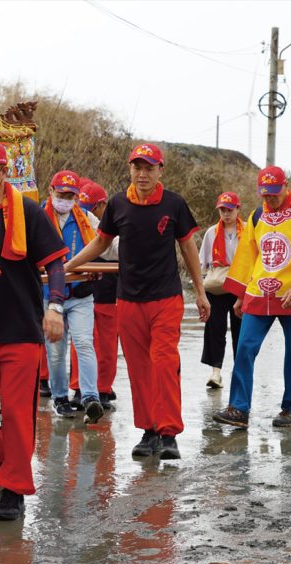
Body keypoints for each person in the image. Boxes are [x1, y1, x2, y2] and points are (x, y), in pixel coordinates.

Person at [66, 143, 210, 460]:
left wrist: (200, 291)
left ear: (160, 170)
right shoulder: (118, 205)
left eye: (149, 167)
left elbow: (188, 249)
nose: (143, 174)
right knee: (138, 367)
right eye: (137, 167)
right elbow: (100, 243)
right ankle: (149, 431)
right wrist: (68, 267)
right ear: (130, 169)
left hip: (166, 298)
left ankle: (169, 432)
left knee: (164, 361)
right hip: (128, 300)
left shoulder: (174, 204)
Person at [0, 139, 68, 521]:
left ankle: (15, 489)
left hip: (21, 330)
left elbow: (55, 262)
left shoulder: (27, 212)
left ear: (3, 173)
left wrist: (54, 306)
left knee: (18, 415)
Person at [213, 166, 291, 428]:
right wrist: (241, 295)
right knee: (245, 347)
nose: (269, 200)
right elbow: (247, 258)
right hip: (258, 293)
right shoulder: (256, 217)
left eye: (274, 194)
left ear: (286, 187)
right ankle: (239, 409)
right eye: (265, 195)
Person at [42, 170, 112, 423]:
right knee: (56, 350)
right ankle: (60, 397)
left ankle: (90, 397)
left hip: (81, 293)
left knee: (84, 343)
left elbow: (106, 245)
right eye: (61, 194)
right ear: (51, 192)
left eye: (71, 195)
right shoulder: (38, 217)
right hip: (50, 296)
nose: (65, 199)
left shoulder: (86, 218)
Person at [78, 180, 119, 409]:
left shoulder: (78, 222)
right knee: (101, 343)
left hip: (94, 292)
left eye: (92, 208)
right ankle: (100, 389)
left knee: (88, 343)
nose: (89, 213)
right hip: (100, 292)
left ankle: (87, 388)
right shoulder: (104, 225)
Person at [199, 192, 244, 389]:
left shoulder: (248, 231)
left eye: (230, 209)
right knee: (214, 329)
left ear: (238, 209)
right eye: (222, 210)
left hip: (239, 285)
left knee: (240, 330)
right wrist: (200, 288)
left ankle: (240, 370)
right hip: (216, 286)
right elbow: (203, 262)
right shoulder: (211, 232)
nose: (226, 214)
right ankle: (215, 372)